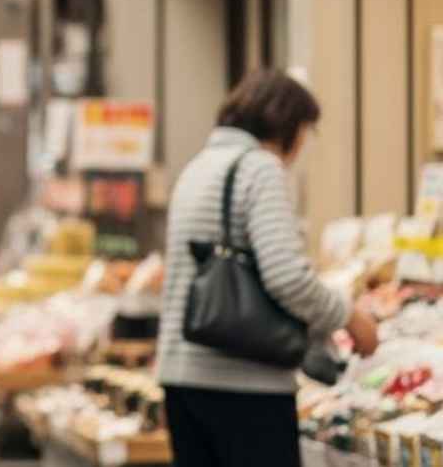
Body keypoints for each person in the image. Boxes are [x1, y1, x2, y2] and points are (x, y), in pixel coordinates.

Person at [157, 69, 380, 467]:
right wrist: (348, 316)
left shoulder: (197, 168)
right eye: (305, 132)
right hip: (242, 383)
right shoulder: (259, 168)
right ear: (287, 125)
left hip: (182, 377)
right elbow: (286, 276)